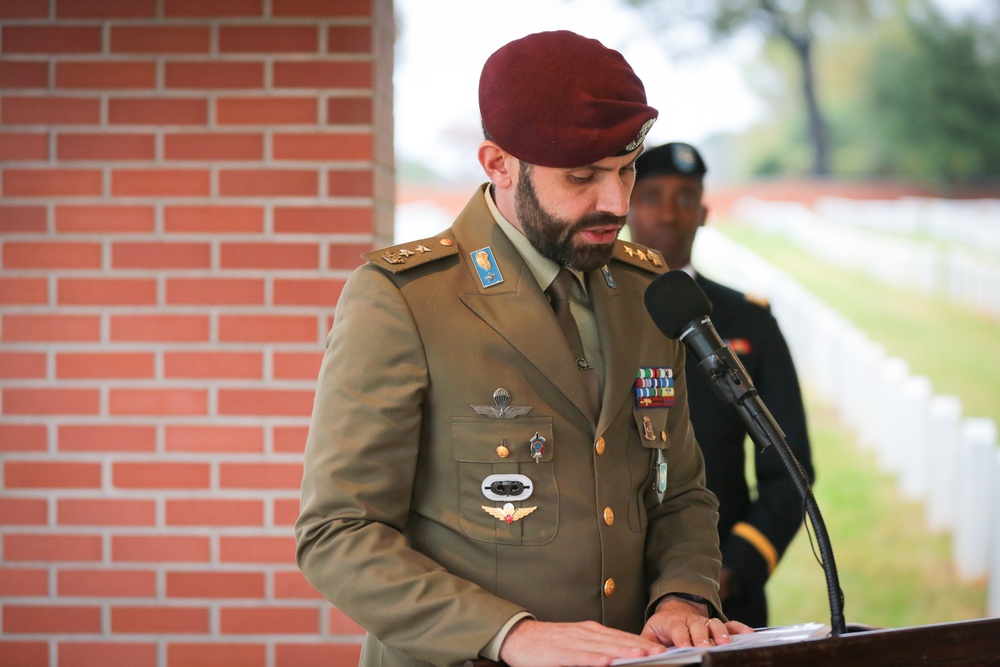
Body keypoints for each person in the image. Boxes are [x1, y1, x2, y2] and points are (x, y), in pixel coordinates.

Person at [296, 32, 752, 667]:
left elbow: (680, 494)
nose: (617, 203)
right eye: (582, 177)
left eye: (626, 169)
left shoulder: (646, 293)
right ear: (498, 163)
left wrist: (682, 597)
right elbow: (338, 533)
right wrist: (511, 635)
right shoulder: (404, 300)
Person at [627, 142, 816, 628]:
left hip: (723, 599)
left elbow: (788, 470)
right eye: (651, 196)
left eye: (685, 198)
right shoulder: (590, 316)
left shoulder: (749, 321)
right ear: (626, 206)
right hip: (612, 599)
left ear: (705, 212)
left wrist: (731, 572)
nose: (669, 214)